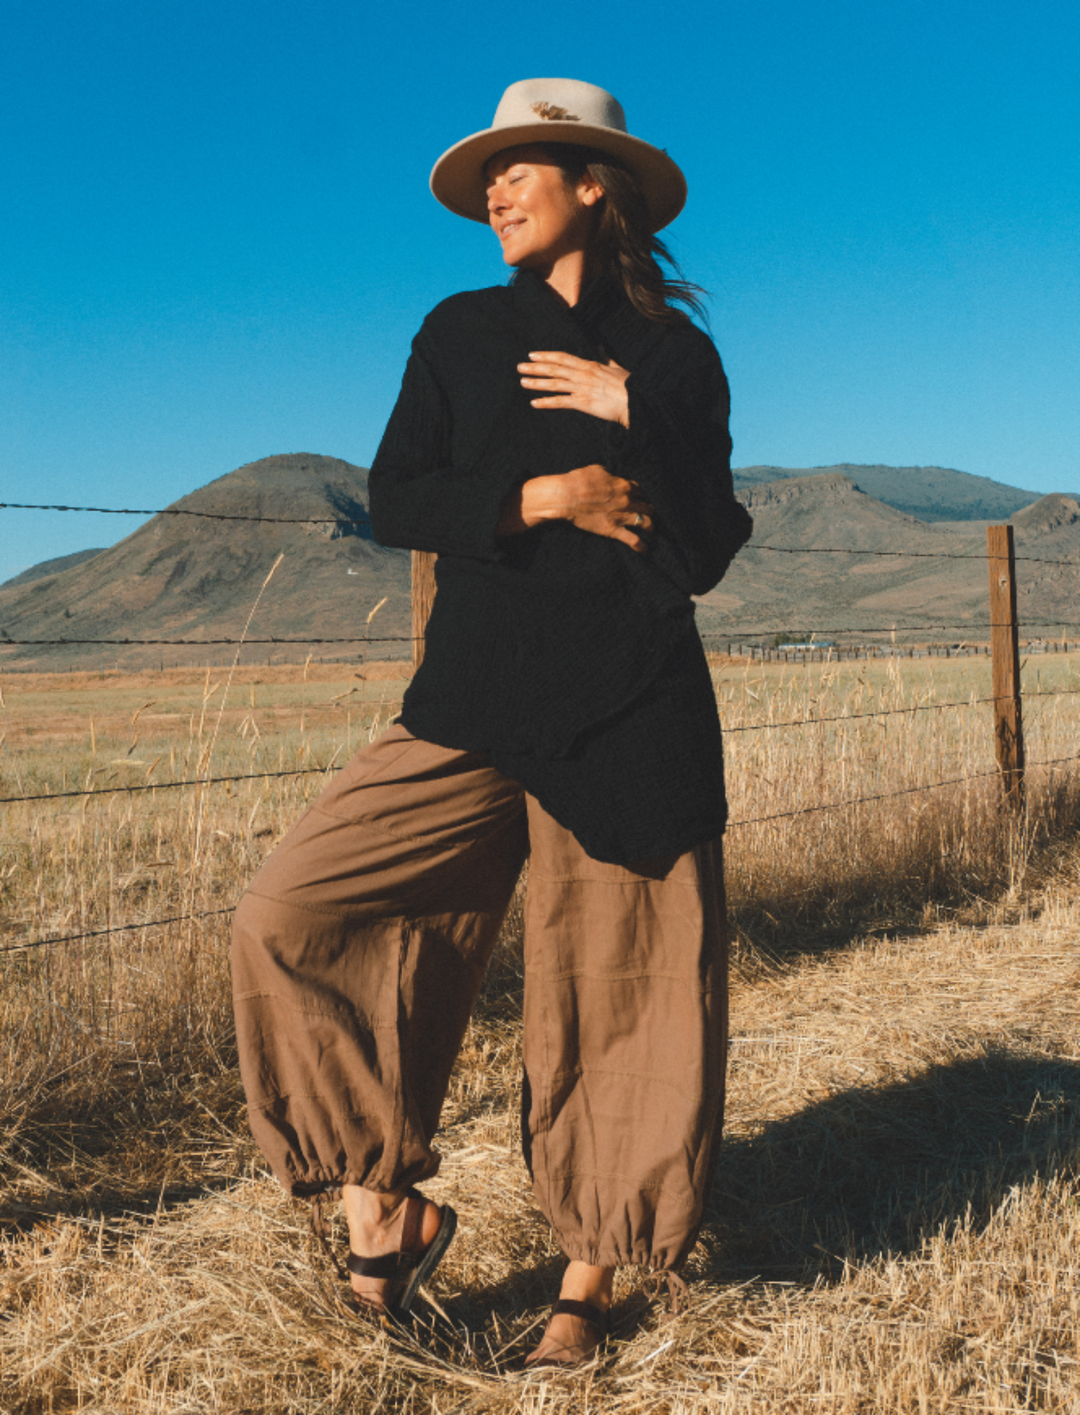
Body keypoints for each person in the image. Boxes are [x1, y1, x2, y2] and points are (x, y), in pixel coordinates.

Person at [231, 77, 753, 1369]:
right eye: (491, 178)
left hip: (632, 712)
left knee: (619, 995)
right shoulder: (459, 333)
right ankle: (384, 1207)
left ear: (596, 184)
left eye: (524, 167)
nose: (497, 193)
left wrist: (633, 415)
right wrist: (544, 493)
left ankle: (584, 1281)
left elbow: (706, 544)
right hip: (474, 702)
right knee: (291, 909)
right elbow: (397, 493)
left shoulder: (675, 360)